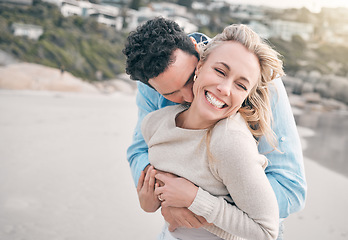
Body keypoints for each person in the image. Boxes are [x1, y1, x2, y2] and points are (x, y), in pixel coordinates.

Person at [123, 17, 306, 239]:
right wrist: (159, 197)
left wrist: (195, 202)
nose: (189, 97)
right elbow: (141, 151)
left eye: (190, 78)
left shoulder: (259, 78)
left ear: (197, 54)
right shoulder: (154, 82)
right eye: (172, 94)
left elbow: (290, 189)